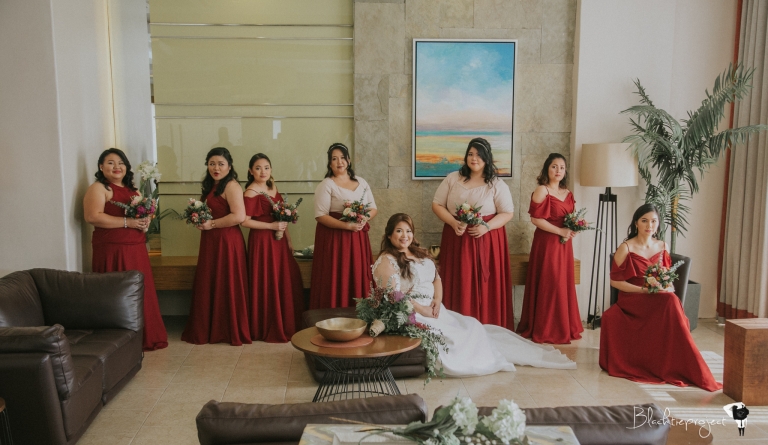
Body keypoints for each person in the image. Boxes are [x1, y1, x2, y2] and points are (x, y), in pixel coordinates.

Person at [372, 213, 575, 376]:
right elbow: (394, 295)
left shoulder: (418, 253)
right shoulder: (386, 260)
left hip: (436, 310)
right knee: (458, 339)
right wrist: (422, 309)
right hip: (412, 314)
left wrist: (437, 300)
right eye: (399, 231)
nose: (405, 235)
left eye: (408, 231)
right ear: (389, 235)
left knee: (473, 326)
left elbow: (436, 279)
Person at [599, 203, 721, 391]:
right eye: (644, 221)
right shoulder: (625, 248)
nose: (649, 225)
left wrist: (665, 287)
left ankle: (687, 366)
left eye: (654, 221)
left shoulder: (663, 246)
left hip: (657, 297)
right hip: (633, 299)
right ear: (636, 223)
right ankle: (689, 365)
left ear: (658, 224)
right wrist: (644, 290)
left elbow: (667, 278)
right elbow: (615, 282)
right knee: (671, 302)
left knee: (671, 300)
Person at [84, 148, 168, 351]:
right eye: (110, 163)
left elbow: (142, 217)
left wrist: (145, 222)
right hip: (112, 249)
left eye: (121, 163)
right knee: (116, 294)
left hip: (136, 248)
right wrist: (127, 222)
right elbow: (92, 216)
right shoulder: (99, 188)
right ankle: (117, 340)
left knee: (138, 292)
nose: (117, 167)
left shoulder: (134, 190)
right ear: (101, 167)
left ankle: (145, 336)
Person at [431, 138, 515, 329]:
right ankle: (457, 326)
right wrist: (453, 222)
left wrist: (486, 227)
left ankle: (486, 324)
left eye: (478, 155)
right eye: (470, 154)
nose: (474, 158)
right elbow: (437, 204)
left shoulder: (496, 184)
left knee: (485, 286)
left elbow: (507, 212)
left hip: (487, 241)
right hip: (456, 238)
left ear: (487, 158)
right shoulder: (453, 178)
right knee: (459, 281)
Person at [181, 147, 251, 346]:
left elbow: (239, 216)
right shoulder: (211, 185)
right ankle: (209, 327)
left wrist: (211, 224)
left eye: (221, 164)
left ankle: (227, 328)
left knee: (226, 281)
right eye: (212, 164)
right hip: (210, 240)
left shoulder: (231, 186)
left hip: (227, 241)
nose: (216, 168)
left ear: (229, 166)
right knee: (210, 280)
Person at [517, 153, 583, 344]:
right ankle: (546, 328)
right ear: (547, 168)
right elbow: (535, 219)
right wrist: (560, 231)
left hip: (565, 245)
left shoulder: (568, 193)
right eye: (554, 166)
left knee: (563, 282)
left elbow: (571, 218)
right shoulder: (542, 190)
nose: (558, 170)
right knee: (550, 282)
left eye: (562, 167)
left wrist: (574, 228)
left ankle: (563, 325)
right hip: (547, 244)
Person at [241, 153, 305, 342]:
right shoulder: (250, 192)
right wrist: (271, 226)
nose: (263, 171)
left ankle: (286, 321)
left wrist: (289, 240)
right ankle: (266, 325)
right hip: (262, 242)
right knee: (267, 279)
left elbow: (282, 216)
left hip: (279, 241)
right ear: (250, 171)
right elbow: (245, 221)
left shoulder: (272, 187)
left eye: (266, 167)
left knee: (284, 276)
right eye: (258, 168)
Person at [310, 143, 378, 309]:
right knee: (336, 274)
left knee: (358, 273)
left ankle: (361, 312)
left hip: (358, 238)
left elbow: (373, 208)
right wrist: (346, 226)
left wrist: (364, 218)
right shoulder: (326, 184)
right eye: (334, 159)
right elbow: (320, 215)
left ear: (348, 160)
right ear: (329, 163)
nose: (339, 162)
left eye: (342, 157)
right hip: (335, 239)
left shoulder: (361, 182)